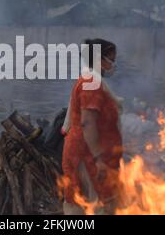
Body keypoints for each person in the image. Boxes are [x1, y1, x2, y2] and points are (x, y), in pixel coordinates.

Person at [61, 39, 123, 214]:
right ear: (99, 59)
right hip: (87, 154)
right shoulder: (91, 84)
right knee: (92, 205)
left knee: (88, 203)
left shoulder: (92, 80)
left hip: (88, 152)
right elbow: (87, 122)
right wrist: (99, 159)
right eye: (111, 59)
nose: (114, 64)